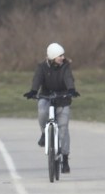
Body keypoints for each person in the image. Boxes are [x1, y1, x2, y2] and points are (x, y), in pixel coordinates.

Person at [24, 42, 79, 174]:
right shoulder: (42, 67)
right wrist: (33, 91)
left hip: (63, 97)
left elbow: (68, 78)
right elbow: (37, 79)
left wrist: (71, 89)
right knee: (42, 111)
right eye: (60, 55)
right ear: (53, 57)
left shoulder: (65, 66)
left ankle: (65, 158)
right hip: (46, 96)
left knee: (64, 129)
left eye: (63, 55)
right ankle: (44, 133)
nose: (62, 57)